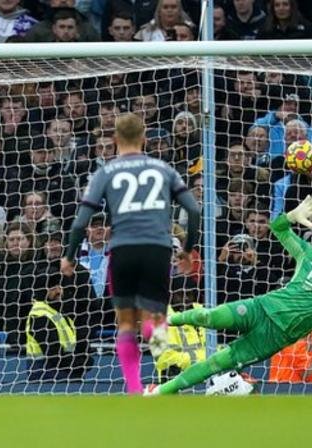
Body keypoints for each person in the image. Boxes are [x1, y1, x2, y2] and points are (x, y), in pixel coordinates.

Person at [144, 196, 312, 396]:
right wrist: (292, 216)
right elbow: (279, 228)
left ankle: (160, 392)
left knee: (215, 363)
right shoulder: (309, 255)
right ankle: (166, 322)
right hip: (261, 307)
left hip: (273, 337)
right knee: (209, 315)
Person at [61, 113, 201, 395]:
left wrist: (69, 256)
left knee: (126, 322)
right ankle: (166, 371)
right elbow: (194, 210)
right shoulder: (163, 168)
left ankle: (135, 388)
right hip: (157, 249)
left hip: (122, 249)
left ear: (114, 140)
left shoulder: (106, 172)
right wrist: (187, 251)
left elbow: (80, 221)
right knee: (156, 317)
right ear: (144, 139)